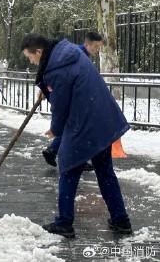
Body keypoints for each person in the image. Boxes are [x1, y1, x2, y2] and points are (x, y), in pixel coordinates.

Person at [21, 33, 132, 238]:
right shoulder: (67, 53)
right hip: (102, 119)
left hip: (85, 123)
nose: (31, 61)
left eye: (30, 57)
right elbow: (69, 86)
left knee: (68, 169)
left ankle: (64, 223)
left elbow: (61, 105)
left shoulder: (56, 67)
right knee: (105, 172)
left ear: (39, 51)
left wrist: (55, 129)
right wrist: (49, 90)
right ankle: (121, 220)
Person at [42, 31, 103, 169]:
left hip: (73, 98)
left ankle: (53, 150)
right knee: (76, 129)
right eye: (96, 47)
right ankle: (77, 160)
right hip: (73, 99)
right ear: (87, 44)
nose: (98, 50)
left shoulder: (79, 53)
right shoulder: (77, 55)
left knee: (71, 127)